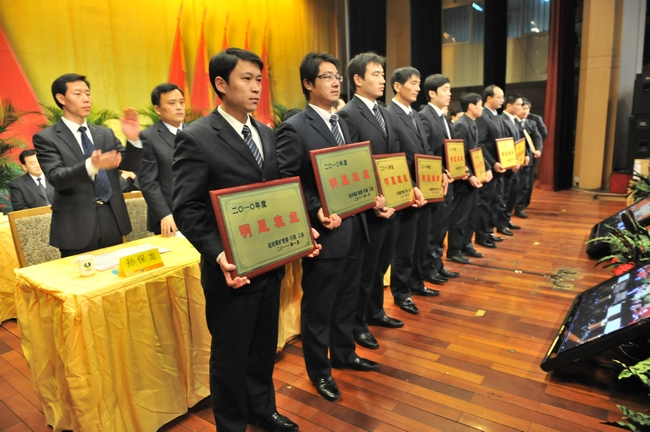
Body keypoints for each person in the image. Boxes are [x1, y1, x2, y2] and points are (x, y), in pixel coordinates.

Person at [172, 48, 301, 432]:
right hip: (231, 271)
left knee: (263, 347)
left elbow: (276, 193)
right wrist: (217, 254)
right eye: (246, 79)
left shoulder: (266, 133)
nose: (256, 87)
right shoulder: (196, 137)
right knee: (230, 355)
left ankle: (263, 410)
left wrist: (300, 225)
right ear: (221, 84)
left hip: (269, 263)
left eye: (259, 80)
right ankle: (231, 425)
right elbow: (187, 208)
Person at [276, 52, 381, 403]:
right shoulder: (295, 127)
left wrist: (372, 195)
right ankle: (319, 371)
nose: (336, 83)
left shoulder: (344, 124)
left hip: (355, 226)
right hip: (326, 231)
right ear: (308, 83)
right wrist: (315, 209)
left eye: (338, 76)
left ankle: (345, 353)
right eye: (327, 77)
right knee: (319, 307)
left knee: (348, 299)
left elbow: (354, 172)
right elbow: (287, 181)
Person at [338, 52, 414, 339]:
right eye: (376, 74)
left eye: (383, 74)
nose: (382, 80)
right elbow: (352, 164)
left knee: (381, 265)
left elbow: (395, 155)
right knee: (365, 270)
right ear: (358, 79)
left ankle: (375, 311)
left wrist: (406, 189)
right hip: (368, 208)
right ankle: (358, 325)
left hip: (391, 203)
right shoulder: (348, 114)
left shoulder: (384, 112)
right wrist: (373, 200)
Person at [33, 73, 142, 257]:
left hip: (112, 218)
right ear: (61, 98)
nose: (86, 99)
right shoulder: (47, 138)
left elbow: (130, 164)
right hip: (76, 225)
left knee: (115, 272)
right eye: (78, 94)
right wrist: (91, 165)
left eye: (88, 93)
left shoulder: (104, 133)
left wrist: (133, 140)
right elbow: (56, 177)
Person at [385, 66, 434, 318]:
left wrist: (438, 173)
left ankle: (416, 282)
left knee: (419, 241)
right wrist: (412, 185)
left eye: (418, 83)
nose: (417, 88)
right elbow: (396, 156)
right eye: (413, 83)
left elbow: (424, 150)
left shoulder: (414, 114)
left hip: (424, 188)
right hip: (404, 190)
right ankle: (401, 291)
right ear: (397, 86)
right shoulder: (389, 114)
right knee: (403, 245)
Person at [418, 74, 459, 284]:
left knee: (442, 224)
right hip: (433, 180)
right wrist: (442, 169)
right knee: (433, 227)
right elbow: (425, 151)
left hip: (447, 179)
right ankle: (428, 266)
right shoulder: (425, 116)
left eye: (450, 89)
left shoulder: (443, 117)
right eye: (445, 89)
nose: (449, 93)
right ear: (432, 93)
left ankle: (437, 263)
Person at [139, 83, 186, 236]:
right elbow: (148, 181)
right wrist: (164, 214)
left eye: (181, 102)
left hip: (200, 213)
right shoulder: (148, 137)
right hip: (170, 217)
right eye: (172, 103)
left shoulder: (196, 133)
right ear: (157, 109)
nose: (179, 107)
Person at [447, 93, 486, 262]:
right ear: (471, 106)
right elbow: (458, 154)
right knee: (460, 216)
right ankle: (454, 250)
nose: (482, 108)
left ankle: (466, 245)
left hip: (474, 177)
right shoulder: (461, 125)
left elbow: (475, 151)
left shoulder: (472, 123)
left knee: (471, 214)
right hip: (464, 179)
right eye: (480, 104)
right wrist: (469, 175)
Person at [475, 85, 507, 249]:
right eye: (499, 97)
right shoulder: (482, 116)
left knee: (496, 200)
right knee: (485, 202)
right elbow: (480, 144)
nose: (502, 100)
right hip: (489, 167)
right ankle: (481, 235)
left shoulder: (497, 116)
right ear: (489, 98)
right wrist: (492, 163)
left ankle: (489, 231)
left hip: (500, 167)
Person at [500, 93, 528, 233]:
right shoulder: (502, 120)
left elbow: (520, 140)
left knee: (513, 193)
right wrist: (513, 161)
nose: (520, 107)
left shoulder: (515, 120)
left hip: (517, 163)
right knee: (504, 195)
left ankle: (507, 219)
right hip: (508, 164)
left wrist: (525, 155)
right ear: (509, 105)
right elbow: (504, 144)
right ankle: (501, 223)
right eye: (518, 105)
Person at [513, 98, 544, 218]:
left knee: (525, 184)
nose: (526, 111)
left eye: (528, 109)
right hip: (513, 158)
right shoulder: (511, 122)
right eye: (523, 108)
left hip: (528, 159)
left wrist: (538, 149)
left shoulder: (531, 123)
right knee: (513, 184)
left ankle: (520, 207)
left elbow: (538, 137)